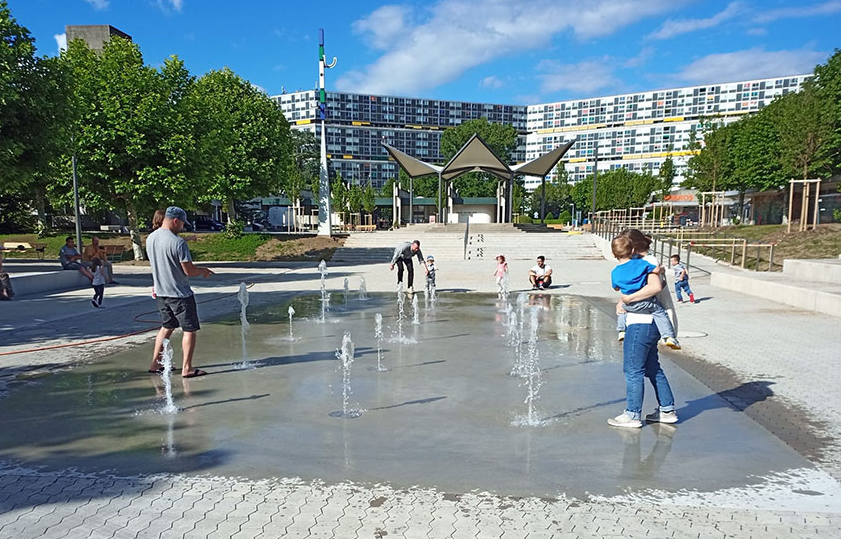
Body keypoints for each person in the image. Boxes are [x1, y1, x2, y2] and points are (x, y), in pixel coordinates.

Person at [146, 206, 214, 378]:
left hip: (161, 292)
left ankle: (155, 364)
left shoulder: (150, 238)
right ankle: (187, 368)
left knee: (166, 327)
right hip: (180, 294)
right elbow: (188, 271)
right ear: (175, 220)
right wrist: (203, 270)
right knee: (189, 329)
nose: (183, 227)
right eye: (182, 223)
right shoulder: (178, 243)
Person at [608, 264, 678, 428]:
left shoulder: (642, 263)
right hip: (651, 324)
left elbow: (653, 287)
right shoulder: (650, 264)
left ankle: (632, 414)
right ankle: (667, 410)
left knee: (633, 370)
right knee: (652, 368)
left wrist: (626, 300)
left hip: (640, 323)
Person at [611, 236, 680, 350]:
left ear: (613, 254)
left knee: (622, 311)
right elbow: (656, 270)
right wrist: (662, 269)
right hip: (646, 302)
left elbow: (616, 288)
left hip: (629, 305)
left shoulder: (615, 272)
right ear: (633, 251)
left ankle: (621, 330)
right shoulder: (641, 264)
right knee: (660, 312)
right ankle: (668, 336)